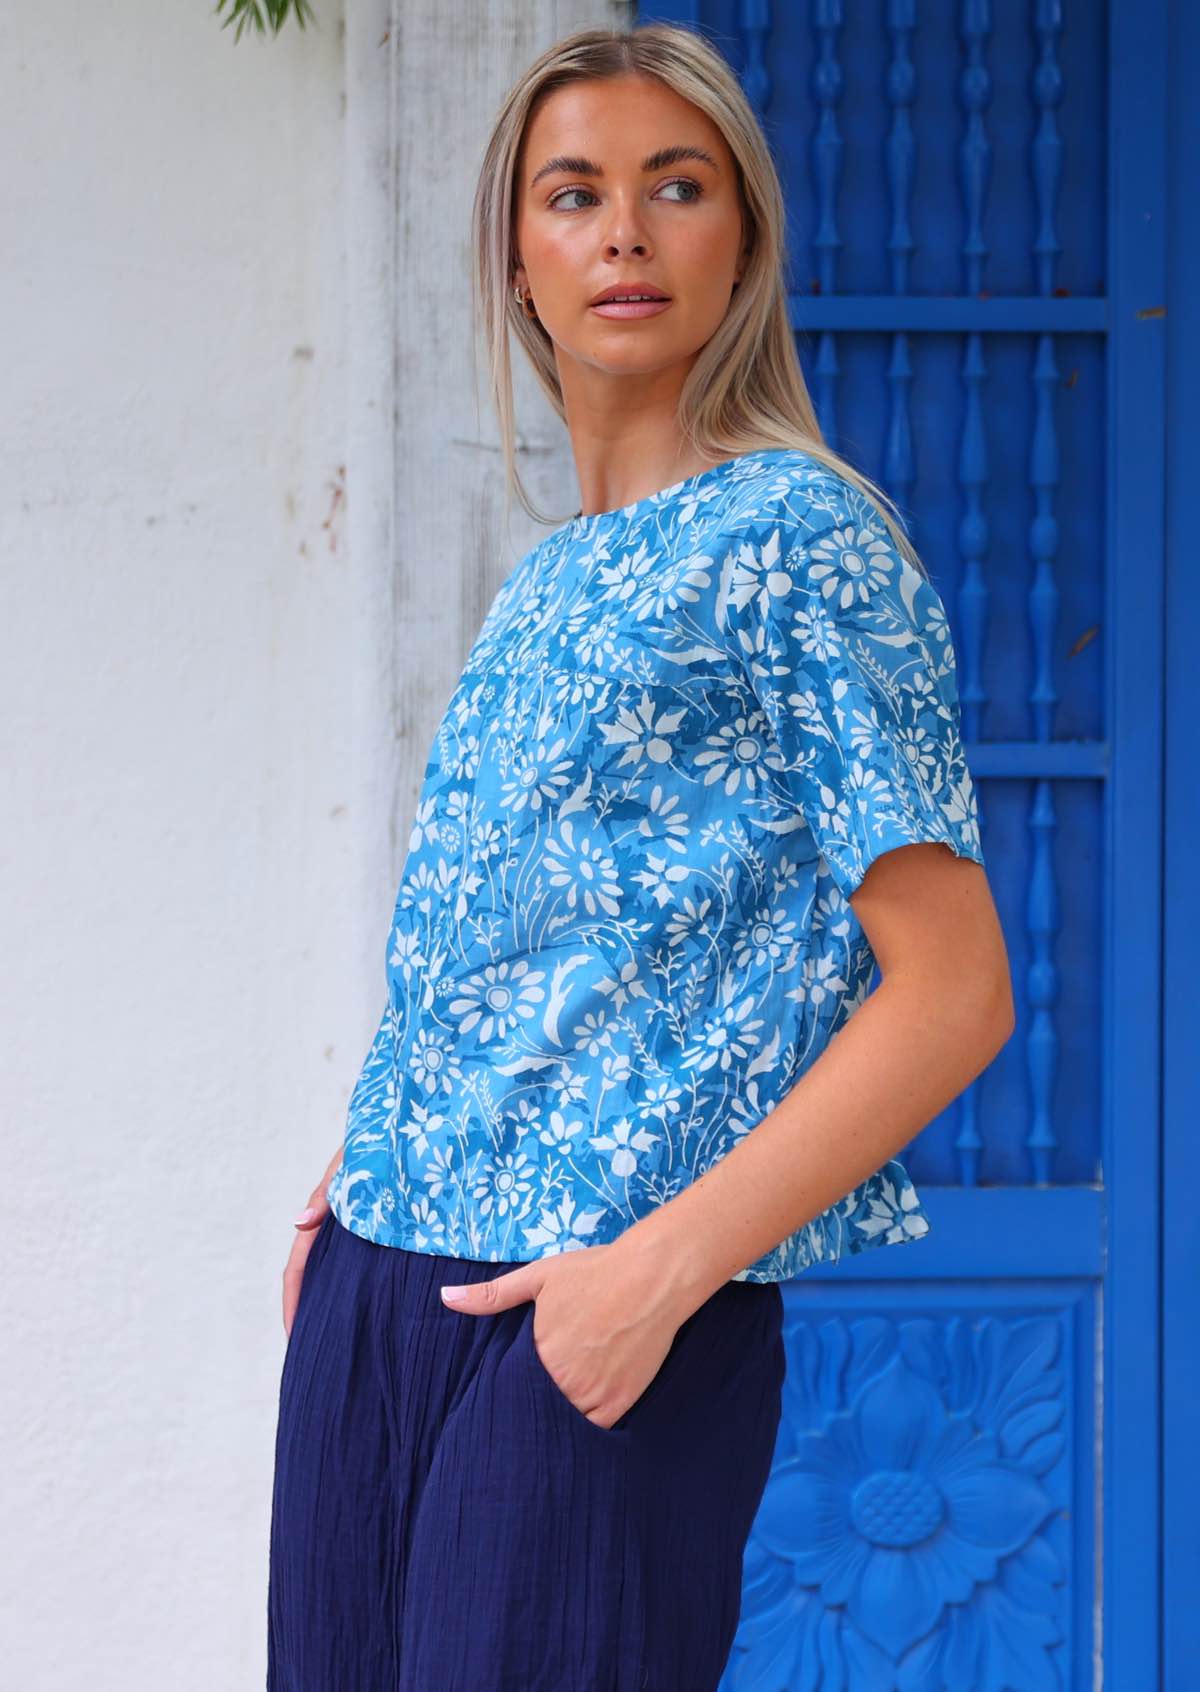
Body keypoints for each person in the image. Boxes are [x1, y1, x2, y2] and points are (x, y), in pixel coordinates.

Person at [265, 21, 1014, 1692]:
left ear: (739, 238)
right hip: (384, 1288)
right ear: (516, 260)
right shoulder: (548, 578)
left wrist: (656, 1278)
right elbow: (537, 936)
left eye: (675, 188)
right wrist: (367, 1159)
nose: (622, 233)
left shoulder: (800, 540)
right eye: (573, 194)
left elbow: (955, 994)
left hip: (594, 1310)